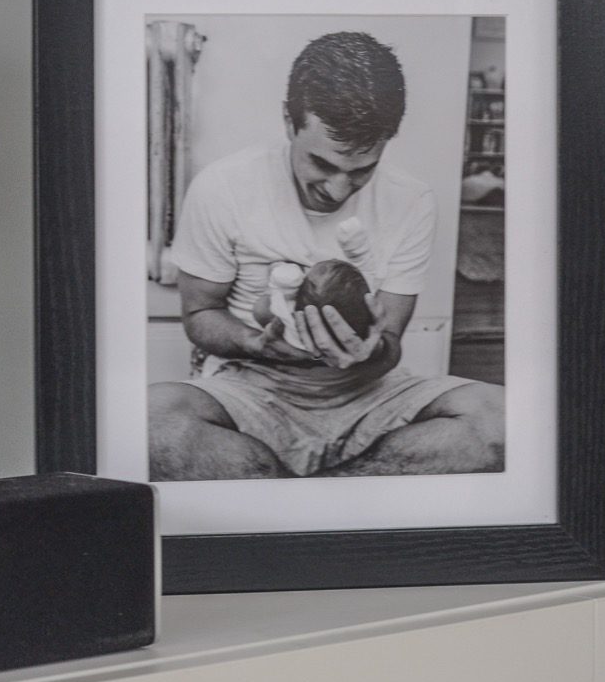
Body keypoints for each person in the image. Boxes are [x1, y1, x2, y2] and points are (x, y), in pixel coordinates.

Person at [148, 31, 503, 479]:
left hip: (371, 393)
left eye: (361, 170)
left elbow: (390, 344)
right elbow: (200, 314)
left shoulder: (412, 200)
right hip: (255, 388)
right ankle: (333, 503)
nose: (338, 189)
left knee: (503, 421)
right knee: (151, 424)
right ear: (289, 121)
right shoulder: (224, 187)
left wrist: (369, 351)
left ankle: (300, 497)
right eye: (323, 164)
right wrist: (257, 344)